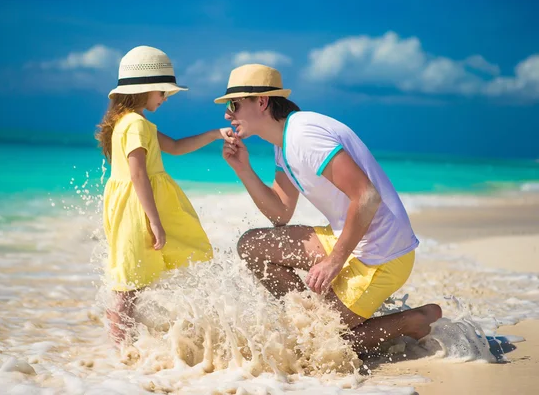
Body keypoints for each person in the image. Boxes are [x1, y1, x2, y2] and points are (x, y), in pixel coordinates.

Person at [216, 63, 442, 353]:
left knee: (319, 345)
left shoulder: (304, 135)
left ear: (261, 101)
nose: (227, 114)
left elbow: (367, 197)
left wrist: (334, 261)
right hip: (352, 237)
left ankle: (413, 321)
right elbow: (280, 213)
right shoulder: (284, 142)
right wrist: (243, 169)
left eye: (233, 104)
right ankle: (313, 318)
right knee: (253, 246)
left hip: (381, 253)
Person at [96, 46, 234, 345]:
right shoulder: (134, 123)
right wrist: (154, 221)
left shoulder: (135, 122)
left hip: (136, 204)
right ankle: (119, 349)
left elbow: (176, 147)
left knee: (135, 277)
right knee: (128, 284)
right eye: (163, 92)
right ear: (145, 90)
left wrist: (214, 134)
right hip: (138, 207)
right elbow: (137, 174)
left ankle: (128, 344)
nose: (165, 98)